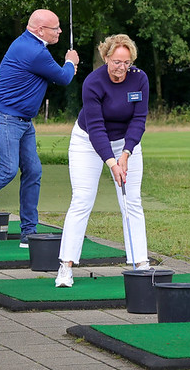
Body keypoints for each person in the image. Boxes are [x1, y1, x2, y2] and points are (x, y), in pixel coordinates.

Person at [0, 9, 79, 252]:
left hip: (22, 120)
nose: (60, 31)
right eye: (55, 28)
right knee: (7, 169)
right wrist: (71, 61)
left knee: (33, 170)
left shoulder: (32, 45)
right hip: (6, 117)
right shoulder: (34, 51)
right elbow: (63, 78)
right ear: (40, 30)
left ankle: (28, 232)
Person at [55, 34, 150, 287]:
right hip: (88, 141)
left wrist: (126, 154)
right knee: (82, 199)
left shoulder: (139, 78)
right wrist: (112, 163)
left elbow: (138, 120)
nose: (121, 68)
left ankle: (141, 264)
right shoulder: (93, 82)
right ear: (106, 57)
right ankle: (65, 266)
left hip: (126, 144)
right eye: (117, 61)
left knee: (132, 201)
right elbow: (96, 128)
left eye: (126, 62)